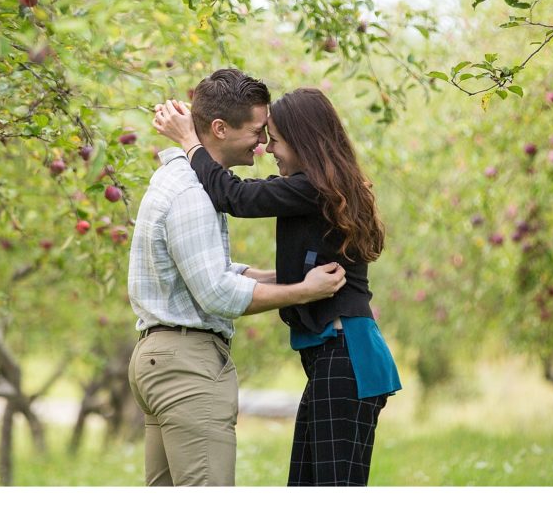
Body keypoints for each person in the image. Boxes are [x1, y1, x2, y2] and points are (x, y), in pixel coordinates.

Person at [153, 86, 402, 487]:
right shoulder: (320, 188)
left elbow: (234, 196)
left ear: (304, 144)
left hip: (348, 357)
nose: (269, 150)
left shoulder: (313, 189)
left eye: (277, 141)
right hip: (336, 359)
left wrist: (189, 141)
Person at [127, 68, 348, 487]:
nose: (264, 145)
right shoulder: (193, 192)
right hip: (187, 368)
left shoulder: (171, 179)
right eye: (258, 132)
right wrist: (302, 292)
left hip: (157, 358)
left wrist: (279, 277)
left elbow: (207, 271)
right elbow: (217, 293)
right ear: (219, 128)